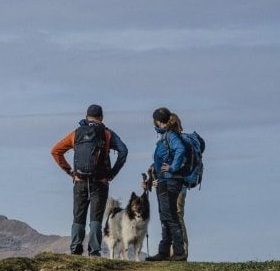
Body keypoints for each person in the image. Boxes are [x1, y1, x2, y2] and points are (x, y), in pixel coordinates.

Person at [51, 104, 129, 256]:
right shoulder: (107, 134)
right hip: (100, 182)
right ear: (102, 117)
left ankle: (75, 249)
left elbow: (55, 151)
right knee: (96, 218)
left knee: (78, 216)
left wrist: (69, 171)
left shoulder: (76, 133)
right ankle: (94, 251)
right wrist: (113, 173)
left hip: (79, 180)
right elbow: (123, 151)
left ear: (86, 117)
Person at [145, 106, 188, 261]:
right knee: (165, 215)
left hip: (170, 180)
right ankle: (164, 251)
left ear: (158, 121)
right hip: (164, 180)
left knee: (169, 216)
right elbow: (165, 156)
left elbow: (180, 150)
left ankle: (178, 252)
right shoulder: (166, 136)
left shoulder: (171, 136)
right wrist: (153, 166)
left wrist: (173, 167)